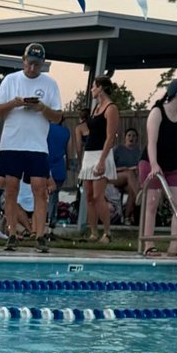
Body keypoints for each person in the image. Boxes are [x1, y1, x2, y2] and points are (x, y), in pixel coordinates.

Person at [0, 43, 62, 252]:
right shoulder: (11, 81)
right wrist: (14, 103)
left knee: (40, 190)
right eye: (30, 64)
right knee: (11, 189)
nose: (32, 68)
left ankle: (40, 235)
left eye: (37, 65)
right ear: (23, 61)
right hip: (12, 143)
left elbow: (57, 116)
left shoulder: (50, 84)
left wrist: (41, 108)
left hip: (37, 145)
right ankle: (12, 233)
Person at [140, 78, 177, 257]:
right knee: (152, 203)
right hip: (150, 163)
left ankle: (175, 246)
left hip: (171, 167)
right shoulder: (157, 112)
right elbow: (152, 142)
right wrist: (154, 164)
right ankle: (148, 244)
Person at [78, 74, 121, 243]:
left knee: (98, 195)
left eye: (94, 86)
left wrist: (102, 160)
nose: (91, 89)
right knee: (88, 195)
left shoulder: (110, 108)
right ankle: (94, 232)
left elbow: (110, 137)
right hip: (89, 153)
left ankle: (107, 233)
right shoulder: (96, 108)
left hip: (101, 153)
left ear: (100, 88)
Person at [113, 127, 143, 223]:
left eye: (134, 136)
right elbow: (109, 167)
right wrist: (124, 169)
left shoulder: (138, 152)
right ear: (125, 138)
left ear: (136, 139)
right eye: (129, 135)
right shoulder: (118, 149)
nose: (131, 138)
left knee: (132, 189)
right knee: (129, 174)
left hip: (130, 180)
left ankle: (127, 217)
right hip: (116, 176)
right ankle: (141, 198)